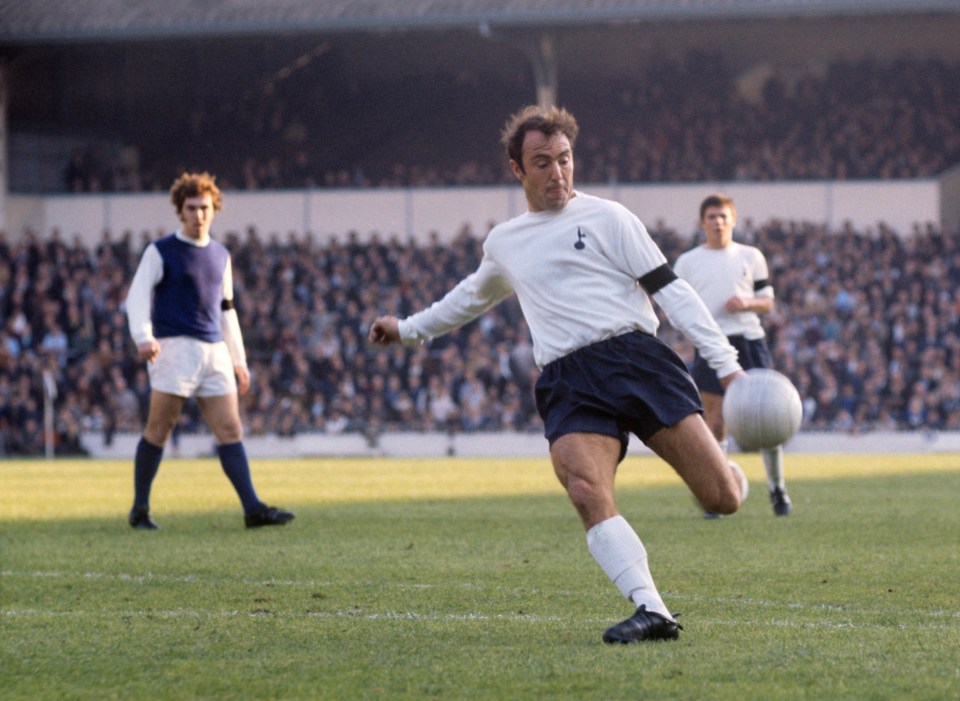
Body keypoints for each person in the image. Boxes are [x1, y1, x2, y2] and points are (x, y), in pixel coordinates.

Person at [368, 105, 748, 644]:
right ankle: (652, 609)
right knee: (584, 485)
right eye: (542, 162)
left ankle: (734, 477)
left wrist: (728, 366)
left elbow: (671, 291)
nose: (557, 173)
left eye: (564, 160)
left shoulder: (610, 218)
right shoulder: (506, 242)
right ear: (517, 170)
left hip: (638, 360)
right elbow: (467, 300)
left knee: (721, 499)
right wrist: (405, 330)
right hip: (569, 379)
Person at [125, 171, 294, 530]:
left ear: (214, 209)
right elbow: (137, 295)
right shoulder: (161, 250)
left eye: (204, 208)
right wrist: (143, 335)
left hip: (215, 351)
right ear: (180, 211)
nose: (198, 215)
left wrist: (238, 359)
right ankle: (139, 509)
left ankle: (253, 509)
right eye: (191, 208)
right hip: (174, 349)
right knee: (159, 429)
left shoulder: (220, 254)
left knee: (230, 430)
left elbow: (226, 309)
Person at [674, 193, 792, 516]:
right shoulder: (687, 263)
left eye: (724, 216)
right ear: (702, 223)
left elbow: (767, 301)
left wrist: (746, 303)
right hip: (711, 343)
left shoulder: (751, 256)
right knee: (715, 422)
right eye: (712, 217)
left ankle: (778, 490)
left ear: (733, 220)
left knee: (768, 419)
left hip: (749, 341)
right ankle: (719, 494)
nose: (718, 222)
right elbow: (674, 305)